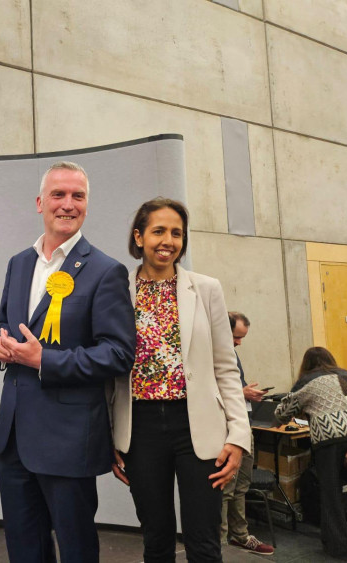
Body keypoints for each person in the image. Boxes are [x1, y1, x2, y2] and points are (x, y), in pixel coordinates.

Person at [0, 161, 136, 563]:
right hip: (14, 437)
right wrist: (1, 345)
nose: (67, 204)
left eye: (78, 196)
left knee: (76, 551)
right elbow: (8, 323)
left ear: (87, 205)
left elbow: (120, 352)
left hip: (68, 439)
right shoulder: (19, 263)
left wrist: (45, 361)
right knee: (24, 549)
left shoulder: (106, 271)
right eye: (58, 194)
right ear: (40, 202)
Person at [111, 197, 251, 562]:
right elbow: (108, 375)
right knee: (156, 540)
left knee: (204, 542)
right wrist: (106, 436)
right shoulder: (116, 292)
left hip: (199, 428)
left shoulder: (206, 289)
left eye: (177, 233)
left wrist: (239, 435)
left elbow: (226, 368)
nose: (168, 241)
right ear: (139, 237)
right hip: (139, 430)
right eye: (159, 231)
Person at [275, 347, 347, 561]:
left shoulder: (305, 381)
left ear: (305, 364)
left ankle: (341, 550)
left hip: (328, 436)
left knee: (331, 494)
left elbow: (282, 413)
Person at [221, 312, 274, 554]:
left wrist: (245, 393)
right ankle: (219, 541)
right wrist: (242, 393)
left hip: (243, 424)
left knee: (241, 484)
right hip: (224, 428)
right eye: (236, 337)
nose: (239, 342)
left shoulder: (232, 353)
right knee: (226, 487)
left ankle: (240, 535)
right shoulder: (211, 353)